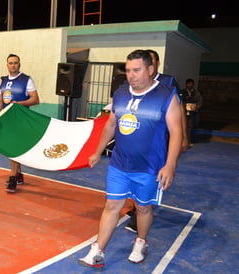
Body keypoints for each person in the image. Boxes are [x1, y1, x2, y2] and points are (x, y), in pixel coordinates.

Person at [78, 49, 182, 269]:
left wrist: (170, 165)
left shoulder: (167, 95)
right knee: (112, 204)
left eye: (136, 70)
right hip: (119, 163)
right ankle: (98, 250)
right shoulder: (121, 93)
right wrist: (97, 151)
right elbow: (111, 124)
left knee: (142, 208)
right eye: (128, 70)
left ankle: (141, 242)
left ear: (151, 70)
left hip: (149, 167)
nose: (131, 75)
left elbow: (176, 132)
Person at [124, 49, 189, 233]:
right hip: (138, 137)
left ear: (155, 65)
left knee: (149, 175)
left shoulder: (168, 82)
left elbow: (180, 108)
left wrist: (184, 135)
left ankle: (141, 214)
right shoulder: (133, 83)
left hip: (158, 139)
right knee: (134, 173)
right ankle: (137, 205)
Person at [0, 54, 40, 193]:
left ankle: (13, 178)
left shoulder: (26, 80)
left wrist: (19, 104)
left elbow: (35, 99)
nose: (13, 65)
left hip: (21, 121)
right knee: (11, 149)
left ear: (19, 64)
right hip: (7, 121)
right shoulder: (3, 81)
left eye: (16, 63)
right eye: (10, 63)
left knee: (14, 149)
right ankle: (19, 175)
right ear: (7, 65)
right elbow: (0, 101)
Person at [180, 78, 203, 147]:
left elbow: (200, 102)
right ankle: (180, 141)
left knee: (190, 127)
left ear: (193, 85)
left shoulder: (196, 93)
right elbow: (178, 100)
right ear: (186, 84)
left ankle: (188, 141)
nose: (189, 85)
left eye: (191, 84)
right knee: (181, 126)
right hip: (183, 112)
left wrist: (197, 107)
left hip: (192, 113)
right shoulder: (182, 92)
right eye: (188, 84)